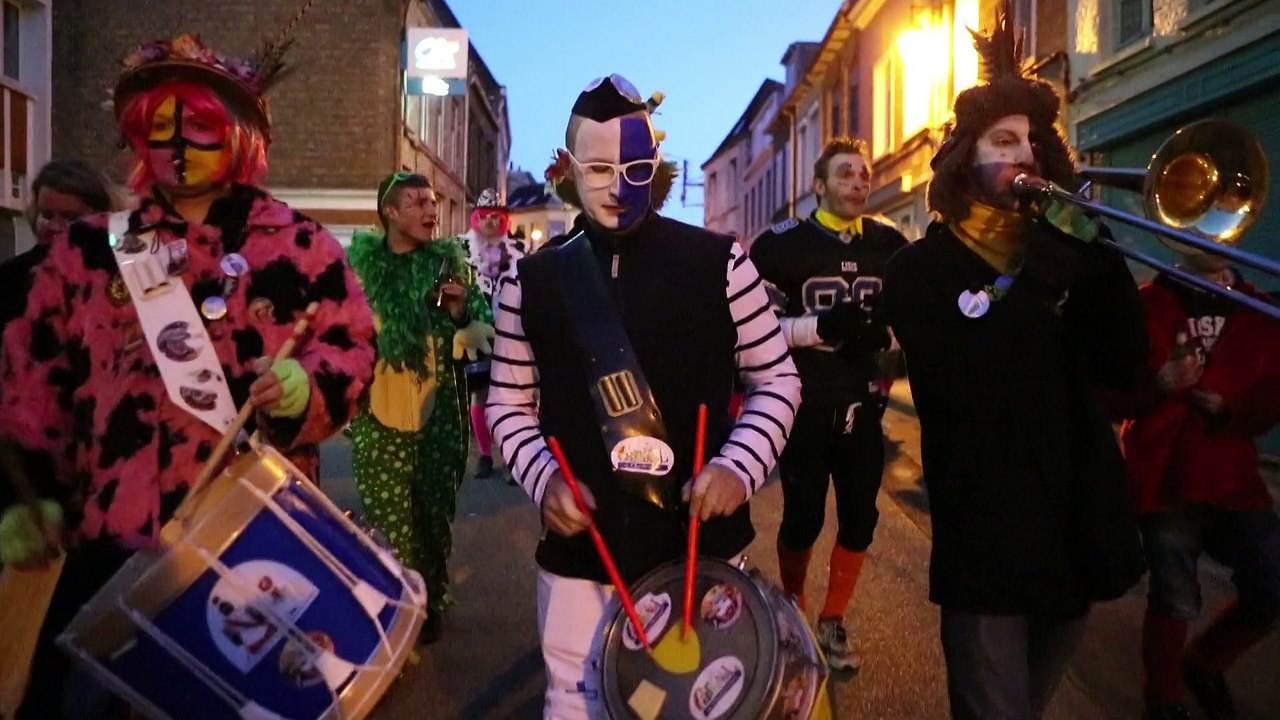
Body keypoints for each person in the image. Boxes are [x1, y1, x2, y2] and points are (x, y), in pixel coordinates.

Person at [0, 30, 374, 719]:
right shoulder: (89, 251)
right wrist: (27, 492)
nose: (176, 148)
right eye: (159, 129)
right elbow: (32, 379)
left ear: (236, 137)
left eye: (197, 128)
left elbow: (351, 350)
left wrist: (305, 389)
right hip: (112, 551)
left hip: (253, 542)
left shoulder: (300, 245)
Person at [485, 74, 801, 719]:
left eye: (633, 166)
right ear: (568, 169)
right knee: (574, 701)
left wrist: (738, 469)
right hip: (580, 554)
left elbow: (778, 379)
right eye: (597, 167)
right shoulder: (530, 281)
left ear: (655, 164)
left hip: (701, 551)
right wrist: (545, 482)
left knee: (698, 707)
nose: (616, 184)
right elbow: (507, 405)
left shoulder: (722, 263)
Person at [881, 6, 1149, 719]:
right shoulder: (920, 269)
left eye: (1034, 142)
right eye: (1005, 140)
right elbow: (967, 384)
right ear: (966, 154)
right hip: (990, 539)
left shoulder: (1064, 251)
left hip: (1075, 528)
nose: (1025, 155)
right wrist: (1045, 278)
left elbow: (1128, 365)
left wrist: (1101, 255)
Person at [750, 136, 906, 672]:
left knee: (861, 517)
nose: (859, 182)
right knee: (802, 517)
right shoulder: (782, 245)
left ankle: (833, 618)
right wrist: (819, 326)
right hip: (806, 400)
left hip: (864, 403)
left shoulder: (889, 245)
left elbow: (906, 324)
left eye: (863, 174)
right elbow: (754, 327)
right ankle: (793, 611)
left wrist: (886, 338)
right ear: (818, 186)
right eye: (845, 174)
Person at [1109, 252, 1280, 720]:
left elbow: (1271, 394)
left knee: (1272, 582)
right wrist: (1159, 385)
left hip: (1232, 474)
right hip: (1165, 472)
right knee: (1175, 594)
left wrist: (1231, 408)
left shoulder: (1259, 307)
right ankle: (1163, 696)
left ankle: (1204, 663)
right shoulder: (1144, 302)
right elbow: (1112, 392)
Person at [347, 172, 493, 644]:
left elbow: (483, 326)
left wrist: (460, 313)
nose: (432, 211)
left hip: (440, 418)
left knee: (432, 521)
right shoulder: (362, 271)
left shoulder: (450, 265)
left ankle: (429, 601)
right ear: (390, 212)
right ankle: (396, 612)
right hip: (377, 416)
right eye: (418, 202)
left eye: (433, 202)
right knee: (389, 527)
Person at [0, 161, 115, 328]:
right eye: (47, 215)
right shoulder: (9, 279)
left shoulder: (118, 274)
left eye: (70, 217)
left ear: (99, 218)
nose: (55, 226)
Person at [460, 188, 524, 479]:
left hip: (512, 333)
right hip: (478, 334)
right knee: (481, 396)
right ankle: (485, 456)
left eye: (496, 217)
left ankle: (512, 459)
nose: (490, 223)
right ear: (475, 220)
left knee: (514, 400)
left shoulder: (518, 253)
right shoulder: (462, 252)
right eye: (484, 217)